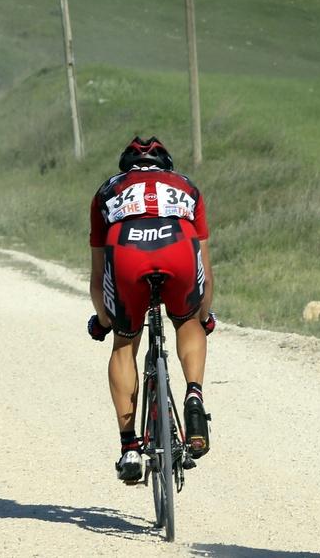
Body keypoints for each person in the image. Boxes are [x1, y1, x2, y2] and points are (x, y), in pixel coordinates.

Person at [87, 136, 216, 483]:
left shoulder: (106, 192)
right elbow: (205, 262)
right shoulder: (188, 187)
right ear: (167, 167)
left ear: (126, 168)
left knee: (124, 343)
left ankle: (130, 447)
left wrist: (103, 321)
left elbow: (99, 276)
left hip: (127, 254)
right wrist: (203, 317)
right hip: (179, 249)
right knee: (188, 323)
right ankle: (193, 395)